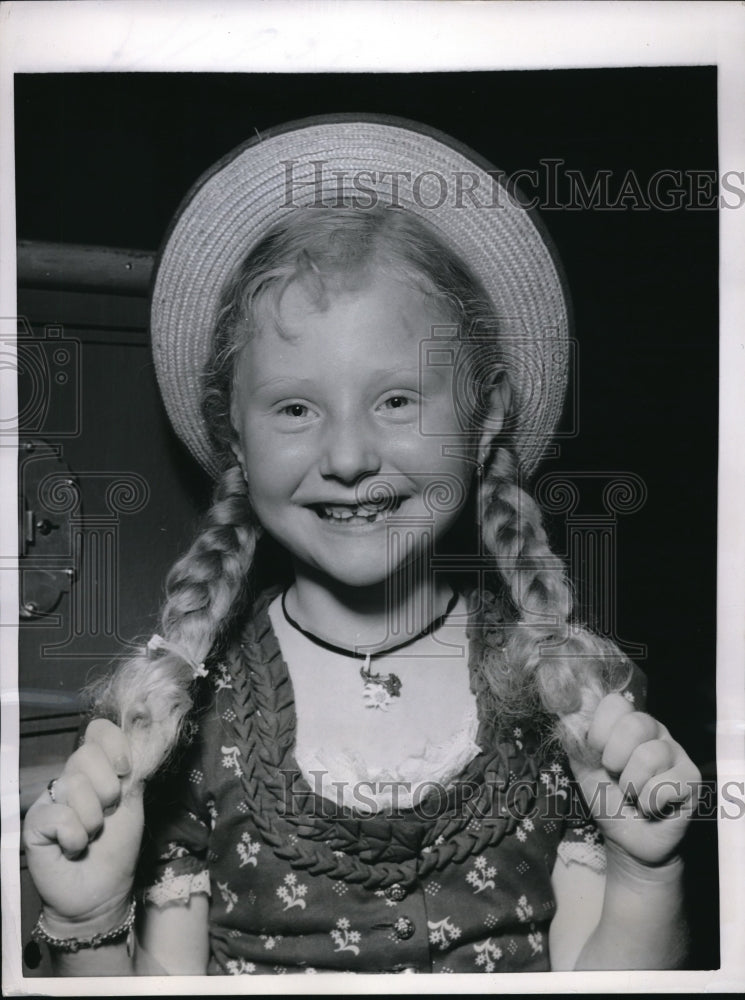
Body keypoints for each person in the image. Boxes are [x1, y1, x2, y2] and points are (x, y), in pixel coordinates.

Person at [22, 115, 700, 976]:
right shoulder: (185, 722)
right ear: (235, 432)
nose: (347, 458)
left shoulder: (562, 701)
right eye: (296, 408)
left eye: (396, 402)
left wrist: (645, 874)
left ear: (484, 412)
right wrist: (91, 921)